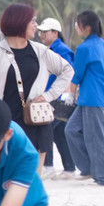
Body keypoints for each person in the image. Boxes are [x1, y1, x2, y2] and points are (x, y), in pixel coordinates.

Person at [0, 3, 73, 167]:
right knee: (9, 176)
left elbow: (67, 70)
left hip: (35, 121)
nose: (36, 26)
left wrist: (48, 96)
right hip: (6, 123)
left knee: (33, 180)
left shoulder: (40, 51)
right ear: (19, 22)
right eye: (32, 21)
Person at [63, 10, 104, 187]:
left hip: (92, 97)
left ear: (86, 28)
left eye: (78, 24)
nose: (76, 28)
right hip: (94, 97)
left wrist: (70, 93)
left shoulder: (84, 48)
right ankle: (87, 168)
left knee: (97, 138)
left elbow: (77, 74)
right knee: (71, 130)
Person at [35, 17, 77, 176]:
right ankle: (69, 168)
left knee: (45, 130)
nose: (41, 34)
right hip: (51, 96)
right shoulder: (50, 49)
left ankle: (48, 166)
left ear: (55, 33)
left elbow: (69, 73)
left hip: (58, 98)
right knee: (59, 134)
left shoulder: (62, 50)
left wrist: (67, 95)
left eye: (45, 31)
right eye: (40, 31)